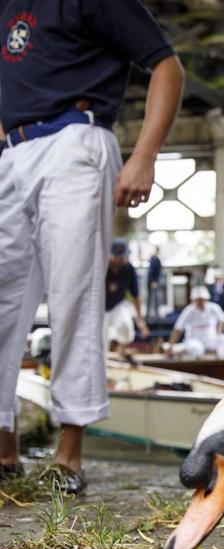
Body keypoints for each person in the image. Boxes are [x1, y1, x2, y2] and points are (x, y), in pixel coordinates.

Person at [0, 0, 184, 491]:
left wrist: (144, 156)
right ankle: (4, 448)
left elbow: (167, 66)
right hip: (11, 150)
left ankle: (69, 456)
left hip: (74, 139)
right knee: (2, 301)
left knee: (73, 296)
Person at [105, 239, 150, 354]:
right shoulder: (102, 267)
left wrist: (140, 321)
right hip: (101, 307)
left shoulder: (128, 269)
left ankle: (121, 351)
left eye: (123, 257)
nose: (121, 260)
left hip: (118, 305)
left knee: (125, 326)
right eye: (118, 257)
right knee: (101, 337)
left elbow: (135, 296)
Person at [167, 286, 224, 358]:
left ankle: (222, 362)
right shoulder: (188, 310)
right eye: (198, 300)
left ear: (206, 299)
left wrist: (219, 332)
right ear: (193, 300)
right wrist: (170, 346)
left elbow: (223, 320)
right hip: (194, 341)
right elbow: (178, 329)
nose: (200, 302)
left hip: (210, 340)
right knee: (197, 349)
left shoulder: (214, 307)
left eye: (202, 299)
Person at [146, 246, 164, 322]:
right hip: (150, 281)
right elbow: (150, 272)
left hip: (155, 282)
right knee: (150, 298)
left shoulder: (158, 261)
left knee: (156, 298)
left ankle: (156, 315)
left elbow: (159, 272)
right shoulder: (152, 260)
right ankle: (148, 315)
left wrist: (155, 281)